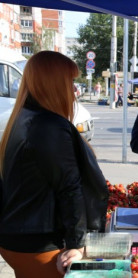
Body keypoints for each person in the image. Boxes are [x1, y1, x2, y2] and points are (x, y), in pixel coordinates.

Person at [0, 51, 109, 278]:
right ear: (54, 83)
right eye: (69, 82)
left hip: (19, 237)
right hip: (42, 242)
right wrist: (77, 245)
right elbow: (69, 187)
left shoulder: (23, 117)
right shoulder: (49, 126)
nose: (73, 91)